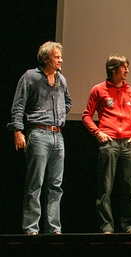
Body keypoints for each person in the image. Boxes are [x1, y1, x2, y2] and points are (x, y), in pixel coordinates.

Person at [7, 41, 72, 235]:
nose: (60, 59)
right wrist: (18, 131)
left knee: (56, 185)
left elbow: (68, 101)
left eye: (60, 56)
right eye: (57, 56)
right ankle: (31, 228)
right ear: (46, 58)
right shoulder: (31, 77)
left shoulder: (62, 79)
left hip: (58, 136)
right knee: (35, 183)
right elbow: (18, 105)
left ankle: (53, 228)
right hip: (38, 134)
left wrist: (59, 115)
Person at [82, 54, 131, 234]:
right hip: (108, 143)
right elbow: (87, 115)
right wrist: (97, 132)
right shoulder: (99, 90)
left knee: (129, 188)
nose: (127, 70)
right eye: (124, 67)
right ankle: (107, 226)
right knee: (105, 188)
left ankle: (128, 225)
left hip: (129, 144)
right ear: (113, 69)